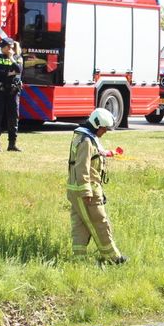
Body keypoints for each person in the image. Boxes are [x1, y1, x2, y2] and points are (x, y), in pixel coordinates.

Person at [67, 108, 127, 265]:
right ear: (96, 125)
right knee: (99, 222)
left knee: (80, 225)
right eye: (104, 129)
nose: (105, 132)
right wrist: (87, 192)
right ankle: (113, 257)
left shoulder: (85, 137)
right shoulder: (85, 141)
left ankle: (79, 259)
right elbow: (82, 167)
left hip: (78, 189)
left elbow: (96, 154)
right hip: (86, 191)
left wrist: (111, 153)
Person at [0, 38, 23, 152]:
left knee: (13, 118)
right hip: (0, 91)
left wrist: (11, 58)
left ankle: (12, 144)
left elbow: (18, 70)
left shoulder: (18, 58)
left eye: (3, 46)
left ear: (9, 47)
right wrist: (9, 73)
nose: (1, 48)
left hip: (13, 92)